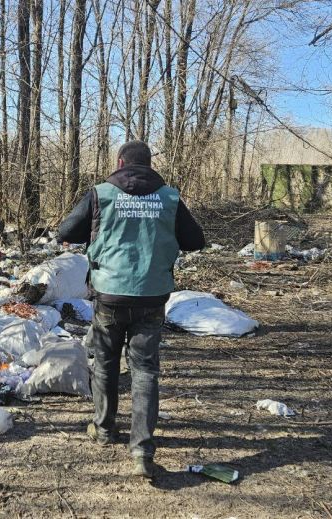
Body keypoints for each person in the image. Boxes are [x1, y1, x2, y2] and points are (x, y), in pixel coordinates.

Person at [57, 140, 205, 478]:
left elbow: (66, 232)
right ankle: (141, 451)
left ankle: (104, 428)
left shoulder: (101, 194)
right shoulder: (169, 197)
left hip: (109, 294)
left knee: (107, 362)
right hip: (152, 298)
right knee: (145, 371)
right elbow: (196, 240)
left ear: (121, 162)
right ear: (149, 164)